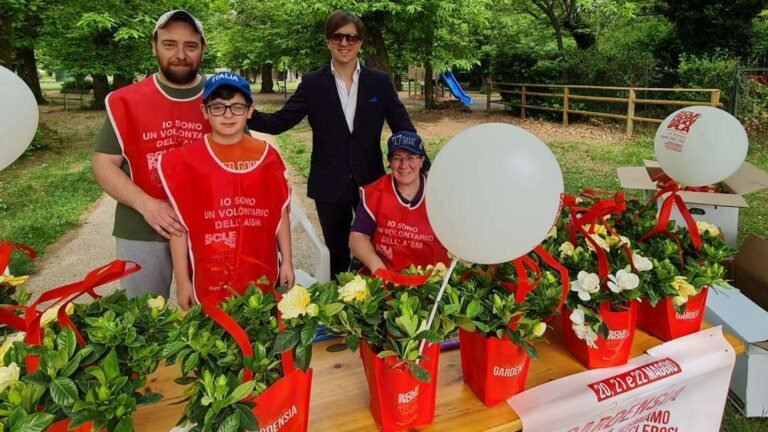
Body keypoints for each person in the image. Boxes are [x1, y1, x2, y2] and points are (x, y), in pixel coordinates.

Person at [247, 10, 416, 278]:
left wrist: (424, 168)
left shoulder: (379, 82)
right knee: (337, 257)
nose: (344, 43)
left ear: (360, 42)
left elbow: (403, 127)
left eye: (351, 37)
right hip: (329, 183)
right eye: (337, 36)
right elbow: (280, 121)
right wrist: (244, 113)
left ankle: (375, 298)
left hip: (370, 182)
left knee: (376, 250)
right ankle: (341, 300)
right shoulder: (313, 83)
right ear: (328, 41)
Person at [92, 10, 209, 299]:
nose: (180, 54)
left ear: (202, 49)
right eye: (170, 44)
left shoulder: (222, 97)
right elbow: (103, 165)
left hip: (209, 228)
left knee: (212, 316)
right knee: (141, 316)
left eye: (190, 46)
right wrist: (146, 204)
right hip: (141, 228)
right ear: (154, 46)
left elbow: (243, 162)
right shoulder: (125, 100)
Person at [158, 72, 293, 309]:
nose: (228, 114)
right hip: (211, 276)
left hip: (261, 270)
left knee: (260, 326)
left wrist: (288, 262)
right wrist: (182, 280)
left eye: (237, 107)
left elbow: (279, 212)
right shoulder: (186, 161)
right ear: (205, 111)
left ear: (250, 111)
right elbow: (179, 225)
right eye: (218, 107)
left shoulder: (267, 156)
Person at [349, 131, 448, 274]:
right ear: (389, 162)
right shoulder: (375, 192)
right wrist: (378, 268)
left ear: (422, 161)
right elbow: (358, 236)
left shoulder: (440, 193)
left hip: (432, 277)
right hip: (385, 274)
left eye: (411, 157)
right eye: (397, 158)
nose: (404, 165)